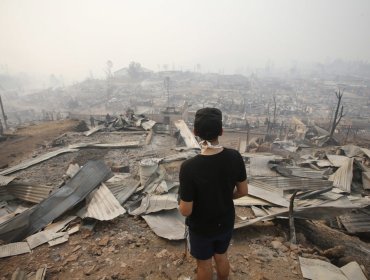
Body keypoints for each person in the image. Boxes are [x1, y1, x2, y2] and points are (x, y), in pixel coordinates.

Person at [178, 107, 248, 280]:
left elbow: (186, 210)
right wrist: (224, 196)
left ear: (195, 132)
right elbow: (243, 191)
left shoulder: (189, 168)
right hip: (225, 222)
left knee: (204, 263)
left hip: (202, 227)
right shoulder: (235, 157)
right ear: (221, 131)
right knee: (221, 256)